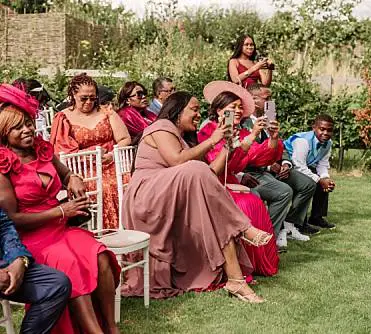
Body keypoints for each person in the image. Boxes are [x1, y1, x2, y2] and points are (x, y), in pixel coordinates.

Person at [120, 89, 274, 302]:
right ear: (177, 111)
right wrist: (212, 140)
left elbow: (208, 174)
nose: (199, 114)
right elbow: (176, 161)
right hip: (146, 196)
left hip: (167, 193)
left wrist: (227, 146)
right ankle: (244, 229)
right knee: (196, 172)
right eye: (194, 109)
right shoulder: (160, 127)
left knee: (215, 216)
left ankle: (236, 281)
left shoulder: (182, 138)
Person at [0, 84, 92, 334]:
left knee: (97, 254)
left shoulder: (41, 149)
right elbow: (11, 220)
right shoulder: (3, 163)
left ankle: (107, 326)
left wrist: (73, 177)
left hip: (59, 226)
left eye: (28, 123)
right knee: (69, 261)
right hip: (34, 233)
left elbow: (65, 174)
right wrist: (62, 211)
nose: (27, 130)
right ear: (4, 133)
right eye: (17, 127)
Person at [197, 83, 282, 277]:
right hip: (212, 184)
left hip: (233, 182)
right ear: (219, 110)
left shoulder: (241, 132)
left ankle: (258, 262)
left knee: (254, 201)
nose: (237, 110)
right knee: (246, 203)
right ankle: (238, 266)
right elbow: (219, 163)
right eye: (231, 107)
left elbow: (261, 158)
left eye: (239, 107)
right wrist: (248, 138)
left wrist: (273, 139)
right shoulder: (209, 130)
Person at [238, 83, 318, 249]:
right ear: (253, 99)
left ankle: (288, 226)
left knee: (308, 184)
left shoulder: (270, 118)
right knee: (282, 191)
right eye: (266, 98)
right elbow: (247, 153)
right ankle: (268, 235)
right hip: (256, 170)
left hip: (275, 167)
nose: (270, 102)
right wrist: (269, 167)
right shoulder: (244, 122)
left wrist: (286, 163)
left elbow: (279, 143)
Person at [50, 74, 131, 232]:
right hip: (82, 170)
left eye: (93, 98)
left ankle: (128, 232)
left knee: (129, 182)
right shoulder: (63, 117)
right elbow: (62, 152)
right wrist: (92, 153)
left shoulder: (106, 112)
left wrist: (111, 155)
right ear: (73, 95)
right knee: (107, 186)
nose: (89, 102)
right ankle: (107, 234)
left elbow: (124, 138)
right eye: (84, 98)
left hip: (111, 163)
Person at [284, 115, 337, 236]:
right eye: (322, 129)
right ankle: (298, 222)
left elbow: (322, 164)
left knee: (325, 182)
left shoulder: (328, 143)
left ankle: (316, 217)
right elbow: (299, 166)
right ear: (314, 127)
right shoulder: (303, 141)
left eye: (329, 130)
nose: (325, 133)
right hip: (288, 166)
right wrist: (319, 179)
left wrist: (325, 177)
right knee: (311, 182)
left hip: (304, 166)